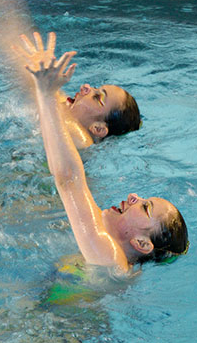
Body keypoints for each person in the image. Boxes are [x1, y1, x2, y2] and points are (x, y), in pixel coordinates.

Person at [18, 31, 187, 272]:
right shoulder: (104, 249)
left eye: (144, 207)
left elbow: (69, 179)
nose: (133, 197)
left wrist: (46, 94)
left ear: (141, 243)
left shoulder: (112, 261)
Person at [0, 0, 141, 148]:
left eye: (97, 96)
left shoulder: (82, 141)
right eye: (95, 88)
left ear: (98, 129)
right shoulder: (61, 110)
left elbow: (38, 91)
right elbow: (28, 74)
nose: (86, 87)